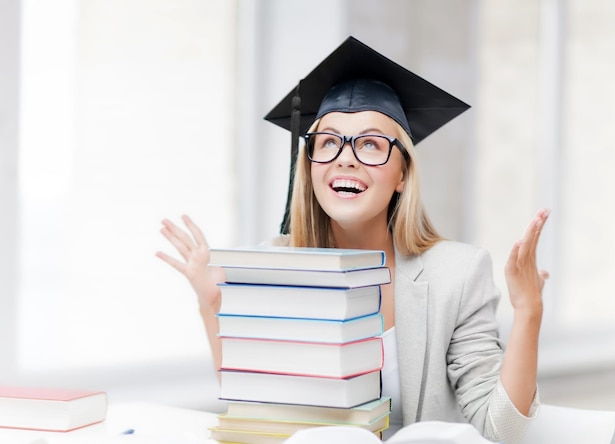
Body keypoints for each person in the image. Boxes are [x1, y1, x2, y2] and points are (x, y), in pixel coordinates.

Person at [156, 36, 549, 444]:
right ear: (308, 166)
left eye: (371, 144)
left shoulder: (457, 275)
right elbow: (257, 414)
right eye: (328, 142)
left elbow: (501, 429)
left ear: (402, 175)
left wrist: (528, 311)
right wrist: (213, 306)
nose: (345, 157)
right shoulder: (276, 268)